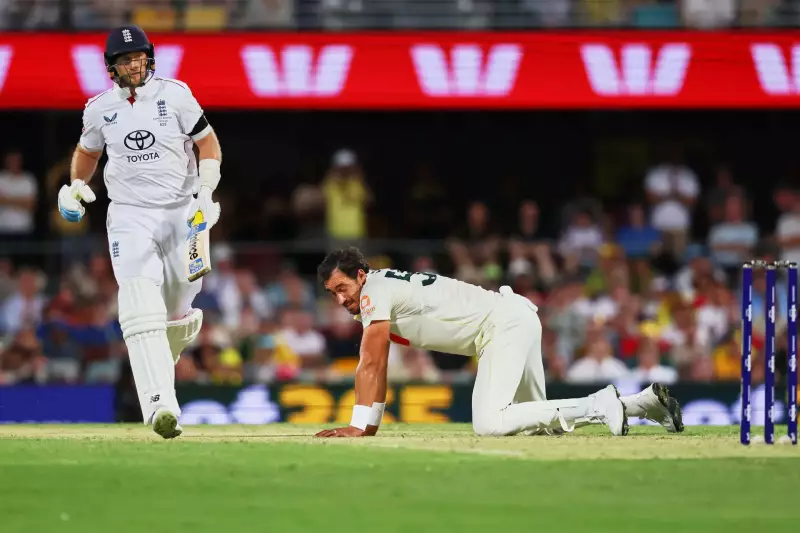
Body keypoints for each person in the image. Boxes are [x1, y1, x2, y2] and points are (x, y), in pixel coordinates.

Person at [315, 247, 684, 438]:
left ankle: (600, 403)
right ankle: (643, 404)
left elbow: (372, 361)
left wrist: (359, 425)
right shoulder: (379, 287)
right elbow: (377, 362)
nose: (341, 299)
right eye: (333, 293)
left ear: (360, 275)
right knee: (541, 423)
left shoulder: (373, 291)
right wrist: (368, 425)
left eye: (343, 288)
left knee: (490, 423)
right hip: (514, 317)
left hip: (500, 325)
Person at [57, 25, 223, 439]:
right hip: (129, 215)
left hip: (181, 212)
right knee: (139, 300)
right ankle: (160, 406)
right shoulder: (99, 109)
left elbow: (208, 145)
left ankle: (163, 356)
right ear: (111, 67)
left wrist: (205, 192)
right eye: (126, 60)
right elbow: (87, 152)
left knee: (179, 308)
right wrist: (75, 184)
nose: (135, 65)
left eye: (140, 57)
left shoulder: (176, 94)